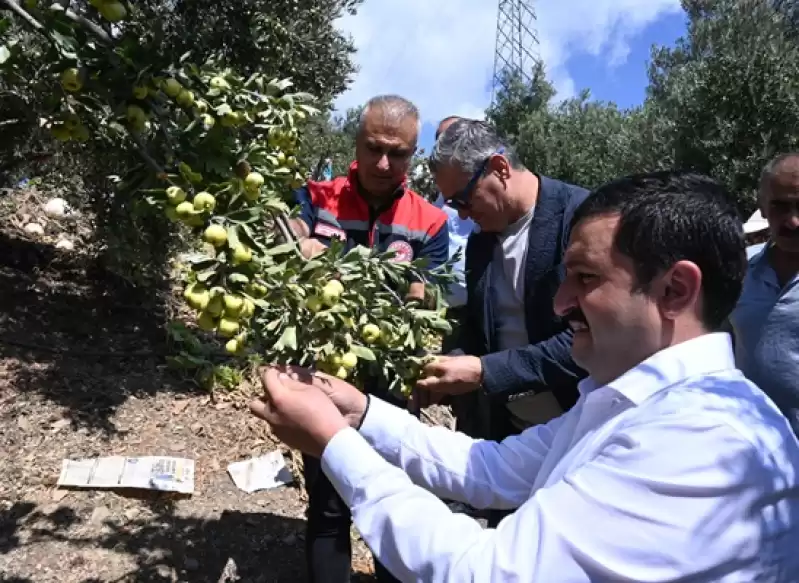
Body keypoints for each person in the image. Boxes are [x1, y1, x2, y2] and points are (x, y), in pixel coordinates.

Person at [251, 170, 799, 582]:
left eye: (585, 279)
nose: (561, 303)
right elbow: (487, 467)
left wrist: (334, 443)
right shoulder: (629, 404)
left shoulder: (702, 442)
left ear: (675, 291)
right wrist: (361, 415)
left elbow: (483, 572)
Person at [287, 94, 449, 583]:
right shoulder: (316, 198)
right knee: (329, 503)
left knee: (393, 502)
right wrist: (296, 239)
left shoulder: (430, 221)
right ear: (355, 142)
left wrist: (419, 298)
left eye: (397, 153)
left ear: (413, 154)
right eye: (373, 147)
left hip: (388, 385)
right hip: (320, 372)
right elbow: (285, 236)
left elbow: (428, 301)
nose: (383, 163)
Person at [419, 119, 589, 446]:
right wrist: (452, 362)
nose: (463, 216)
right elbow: (476, 325)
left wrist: (485, 371)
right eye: (453, 205)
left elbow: (592, 339)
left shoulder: (581, 220)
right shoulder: (481, 242)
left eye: (464, 199)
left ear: (499, 168)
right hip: (510, 437)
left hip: (578, 437)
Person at [731, 153, 799, 435]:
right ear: (762, 206)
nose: (793, 221)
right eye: (781, 207)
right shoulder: (738, 271)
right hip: (753, 451)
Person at [430, 115, 475, 349]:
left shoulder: (479, 199)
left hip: (472, 315)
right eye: (439, 140)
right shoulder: (436, 204)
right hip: (436, 314)